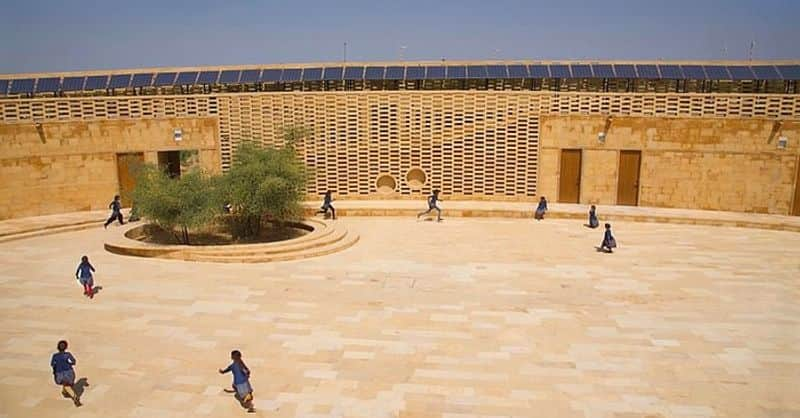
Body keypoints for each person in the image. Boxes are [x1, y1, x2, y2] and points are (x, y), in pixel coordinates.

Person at [51, 340, 81, 407]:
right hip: (69, 372)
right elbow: (73, 362)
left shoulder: (55, 356)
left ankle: (74, 396)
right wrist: (68, 363)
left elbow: (53, 364)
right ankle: (65, 392)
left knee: (66, 384)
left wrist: (55, 370)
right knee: (68, 384)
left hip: (60, 373)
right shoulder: (68, 354)